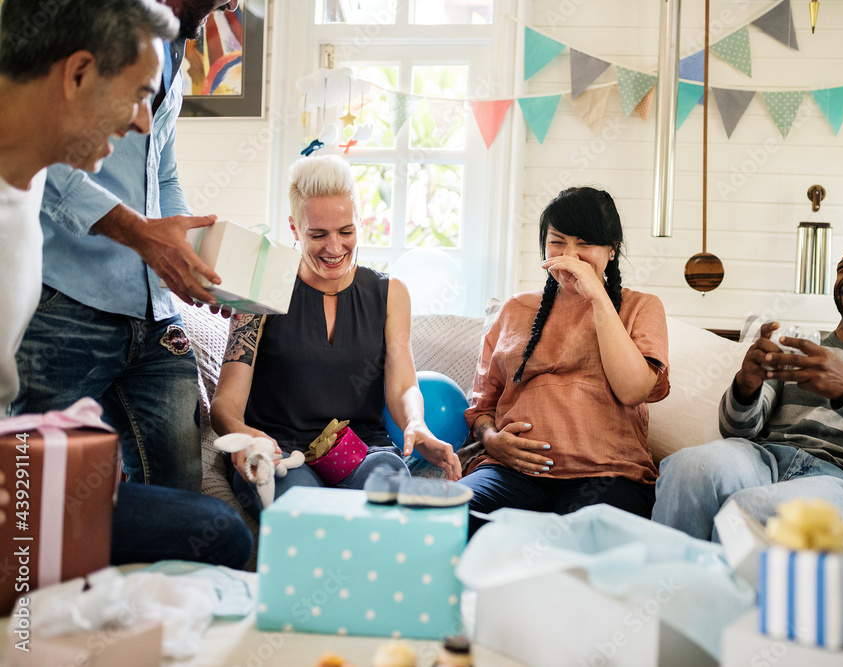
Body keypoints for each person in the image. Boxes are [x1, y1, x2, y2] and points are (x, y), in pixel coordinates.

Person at [0, 0, 250, 568]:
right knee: (43, 512)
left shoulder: (170, 50)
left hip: (155, 315)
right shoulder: (78, 47)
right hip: (72, 298)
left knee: (199, 525)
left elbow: (160, 173)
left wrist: (187, 254)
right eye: (136, 96)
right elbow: (52, 156)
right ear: (80, 73)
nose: (142, 118)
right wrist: (141, 236)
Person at [210, 155, 461, 517]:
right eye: (317, 234)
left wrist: (416, 423)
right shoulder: (262, 288)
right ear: (295, 229)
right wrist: (244, 436)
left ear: (360, 223)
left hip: (362, 452)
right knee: (305, 508)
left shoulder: (391, 293)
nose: (334, 248)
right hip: (280, 454)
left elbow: (403, 385)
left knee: (389, 486)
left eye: (346, 231)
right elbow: (225, 404)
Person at [652, 243, 843, 541]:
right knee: (687, 468)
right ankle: (668, 584)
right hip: (764, 457)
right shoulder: (799, 346)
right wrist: (746, 383)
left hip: (842, 479)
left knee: (751, 511)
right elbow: (738, 430)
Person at [462, 187, 670, 536]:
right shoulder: (515, 309)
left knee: (578, 543)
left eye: (583, 243)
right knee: (446, 518)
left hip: (607, 475)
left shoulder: (641, 307)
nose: (569, 256)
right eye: (557, 242)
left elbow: (633, 390)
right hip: (512, 473)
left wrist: (598, 298)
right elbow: (482, 407)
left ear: (612, 249)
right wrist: (493, 439)